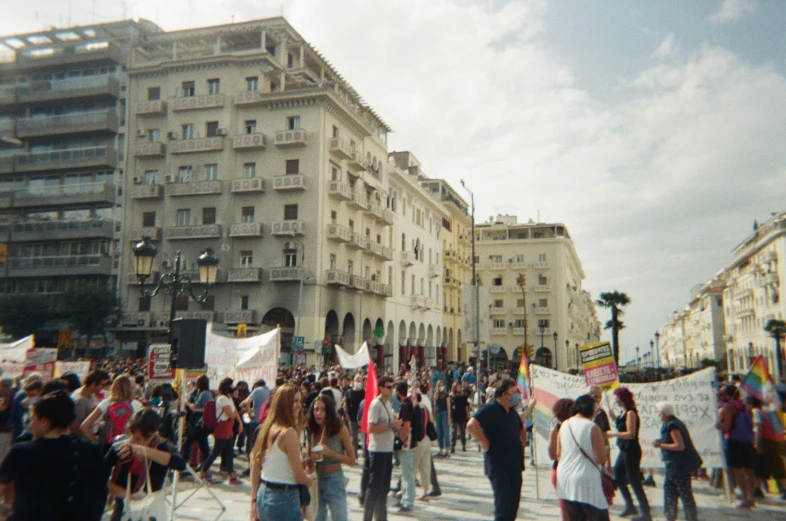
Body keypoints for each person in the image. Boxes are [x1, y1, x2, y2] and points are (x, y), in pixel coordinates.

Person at [0, 390, 109, 521]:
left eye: (33, 419)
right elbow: (101, 491)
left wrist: (5, 511)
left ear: (45, 422)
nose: (30, 424)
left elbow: (2, 483)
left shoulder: (21, 451)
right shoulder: (91, 450)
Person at [105, 408, 186, 521]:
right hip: (122, 508)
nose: (142, 442)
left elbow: (180, 464)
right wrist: (125, 494)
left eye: (147, 438)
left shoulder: (162, 446)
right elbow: (99, 477)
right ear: (131, 432)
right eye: (137, 438)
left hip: (150, 510)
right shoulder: (122, 447)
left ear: (154, 433)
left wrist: (145, 451)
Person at [250, 383, 314, 521]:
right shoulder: (288, 433)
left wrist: (254, 499)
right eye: (295, 401)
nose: (299, 405)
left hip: (264, 494)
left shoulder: (267, 428)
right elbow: (298, 476)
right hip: (284, 498)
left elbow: (256, 464)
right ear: (285, 403)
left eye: (300, 401)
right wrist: (309, 480)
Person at [467, 378, 527, 521]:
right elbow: (472, 424)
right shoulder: (491, 409)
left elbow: (521, 428)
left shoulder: (511, 412)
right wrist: (485, 443)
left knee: (513, 507)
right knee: (503, 508)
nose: (515, 396)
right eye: (513, 393)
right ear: (503, 394)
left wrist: (521, 445)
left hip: (515, 465)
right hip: (499, 466)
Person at [555, 395, 610, 521]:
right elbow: (600, 458)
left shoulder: (564, 425)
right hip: (586, 478)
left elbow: (558, 453)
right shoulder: (592, 427)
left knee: (575, 517)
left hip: (565, 478)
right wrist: (605, 449)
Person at [306, 395, 356, 521]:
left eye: (323, 410)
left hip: (334, 478)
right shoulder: (311, 430)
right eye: (316, 409)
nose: (319, 413)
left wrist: (329, 452)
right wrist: (309, 460)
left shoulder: (340, 429)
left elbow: (352, 461)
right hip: (316, 479)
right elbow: (308, 461)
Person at [608, 387, 651, 521]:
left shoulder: (631, 413)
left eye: (617, 399)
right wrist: (614, 418)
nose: (616, 401)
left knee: (634, 480)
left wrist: (613, 434)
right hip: (624, 449)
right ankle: (630, 505)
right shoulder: (623, 412)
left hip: (631, 450)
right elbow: (622, 426)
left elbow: (631, 433)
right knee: (618, 475)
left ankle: (646, 512)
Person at [652, 402, 700, 521]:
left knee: (683, 492)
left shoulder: (672, 425)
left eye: (659, 413)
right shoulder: (671, 424)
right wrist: (662, 441)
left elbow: (679, 446)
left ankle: (689, 517)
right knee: (672, 492)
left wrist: (661, 445)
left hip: (678, 465)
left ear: (664, 413)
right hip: (675, 465)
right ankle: (673, 516)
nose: (659, 415)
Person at [363, 376, 402, 521]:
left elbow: (389, 425)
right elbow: (370, 428)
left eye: (392, 387)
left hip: (387, 450)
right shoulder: (376, 404)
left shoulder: (388, 403)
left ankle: (381, 518)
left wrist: (396, 426)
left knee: (384, 489)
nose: (391, 389)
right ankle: (367, 518)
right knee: (374, 488)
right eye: (388, 387)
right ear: (380, 388)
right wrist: (390, 426)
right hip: (377, 450)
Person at [715, 384, 756, 508]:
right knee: (749, 471)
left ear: (727, 394)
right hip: (748, 441)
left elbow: (727, 425)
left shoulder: (729, 407)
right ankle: (751, 498)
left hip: (734, 441)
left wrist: (718, 426)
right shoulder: (745, 406)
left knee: (738, 471)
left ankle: (744, 498)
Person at [199, 377, 243, 484]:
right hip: (222, 428)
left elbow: (235, 411)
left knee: (229, 452)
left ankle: (232, 476)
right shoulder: (222, 399)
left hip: (228, 428)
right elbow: (231, 413)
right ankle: (202, 473)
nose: (234, 388)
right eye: (232, 386)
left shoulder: (228, 398)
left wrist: (240, 422)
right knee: (216, 452)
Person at [80, 375, 144, 445]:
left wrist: (97, 443)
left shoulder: (106, 403)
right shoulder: (137, 405)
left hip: (108, 447)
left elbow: (84, 426)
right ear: (130, 389)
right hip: (128, 448)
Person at [747, 395, 786, 499]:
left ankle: (757, 489)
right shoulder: (770, 412)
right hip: (774, 442)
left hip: (764, 441)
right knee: (777, 465)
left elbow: (759, 428)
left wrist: (756, 444)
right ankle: (784, 488)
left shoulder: (756, 412)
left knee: (759, 466)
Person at [549, 398, 575, 521]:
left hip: (560, 470)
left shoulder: (556, 429)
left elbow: (551, 453)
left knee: (566, 509)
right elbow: (553, 454)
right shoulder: (560, 429)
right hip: (565, 471)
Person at [393, 380, 416, 512]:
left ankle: (409, 501)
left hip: (406, 443)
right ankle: (404, 498)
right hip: (407, 442)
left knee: (407, 473)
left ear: (397, 392)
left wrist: (401, 441)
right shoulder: (406, 403)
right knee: (404, 472)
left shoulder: (405, 405)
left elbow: (406, 426)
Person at [183, 375, 212, 468]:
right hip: (200, 423)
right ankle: (205, 466)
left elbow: (198, 407)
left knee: (188, 444)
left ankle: (184, 465)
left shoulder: (204, 394)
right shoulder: (204, 393)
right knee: (203, 446)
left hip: (199, 423)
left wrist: (188, 404)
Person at [71, 370, 110, 436]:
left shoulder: (90, 395)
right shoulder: (80, 400)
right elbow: (76, 427)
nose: (104, 387)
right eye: (103, 385)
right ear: (93, 384)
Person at [10, 374, 43, 442]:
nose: (29, 399)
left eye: (32, 395)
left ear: (41, 394)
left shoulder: (44, 409)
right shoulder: (28, 405)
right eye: (28, 396)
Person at [588, 386, 611, 467]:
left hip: (597, 455)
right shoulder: (581, 413)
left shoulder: (601, 414)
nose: (597, 400)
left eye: (600, 397)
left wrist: (609, 462)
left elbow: (605, 438)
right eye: (595, 397)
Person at [345, 375, 365, 458]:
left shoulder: (364, 392)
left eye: (359, 381)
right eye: (356, 380)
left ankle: (365, 454)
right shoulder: (349, 392)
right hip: (352, 418)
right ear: (353, 381)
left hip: (363, 418)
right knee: (354, 438)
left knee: (364, 437)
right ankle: (354, 455)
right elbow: (346, 404)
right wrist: (346, 415)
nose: (357, 382)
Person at [450, 382, 469, 453]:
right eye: (456, 387)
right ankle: (452, 446)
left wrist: (468, 416)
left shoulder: (463, 396)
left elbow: (466, 406)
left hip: (462, 415)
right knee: (453, 432)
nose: (458, 388)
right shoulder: (451, 396)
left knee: (462, 432)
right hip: (454, 415)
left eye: (459, 387)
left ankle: (463, 445)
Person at [434, 384, 450, 457]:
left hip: (444, 413)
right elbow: (435, 406)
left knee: (445, 432)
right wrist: (434, 415)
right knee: (439, 432)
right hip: (438, 414)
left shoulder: (446, 396)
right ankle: (440, 449)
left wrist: (449, 417)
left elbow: (448, 407)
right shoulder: (436, 395)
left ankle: (447, 450)